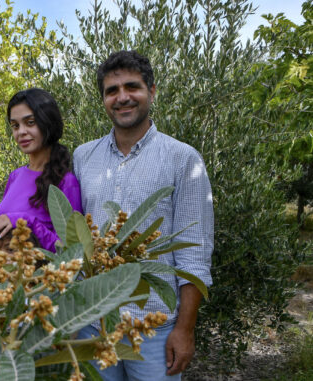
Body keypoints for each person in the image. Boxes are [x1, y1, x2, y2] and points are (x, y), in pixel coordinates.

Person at [72, 51, 214, 380]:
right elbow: (69, 235)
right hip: (93, 325)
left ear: (152, 91)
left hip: (153, 331)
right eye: (112, 90)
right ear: (104, 99)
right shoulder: (83, 157)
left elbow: (195, 254)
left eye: (132, 87)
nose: (122, 97)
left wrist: (185, 329)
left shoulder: (183, 159)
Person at [0, 88, 82, 252]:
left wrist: (24, 220)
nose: (21, 132)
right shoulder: (15, 176)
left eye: (30, 122)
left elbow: (71, 250)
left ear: (48, 123)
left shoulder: (66, 182)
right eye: (15, 126)